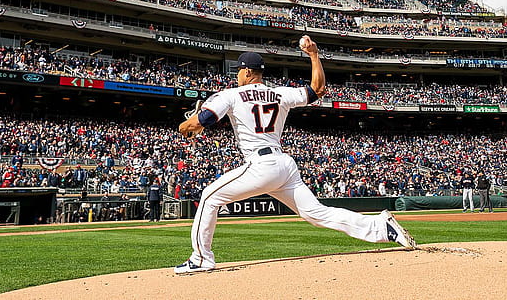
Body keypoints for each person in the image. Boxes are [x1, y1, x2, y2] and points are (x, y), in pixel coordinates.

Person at [173, 40, 416, 274]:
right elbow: (317, 90)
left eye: (239, 71)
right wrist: (313, 54)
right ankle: (382, 228)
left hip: (260, 165)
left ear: (247, 72)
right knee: (316, 213)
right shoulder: (280, 94)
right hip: (283, 165)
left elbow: (200, 121)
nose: (237, 75)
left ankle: (201, 259)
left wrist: (187, 126)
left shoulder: (231, 95)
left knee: (209, 197)